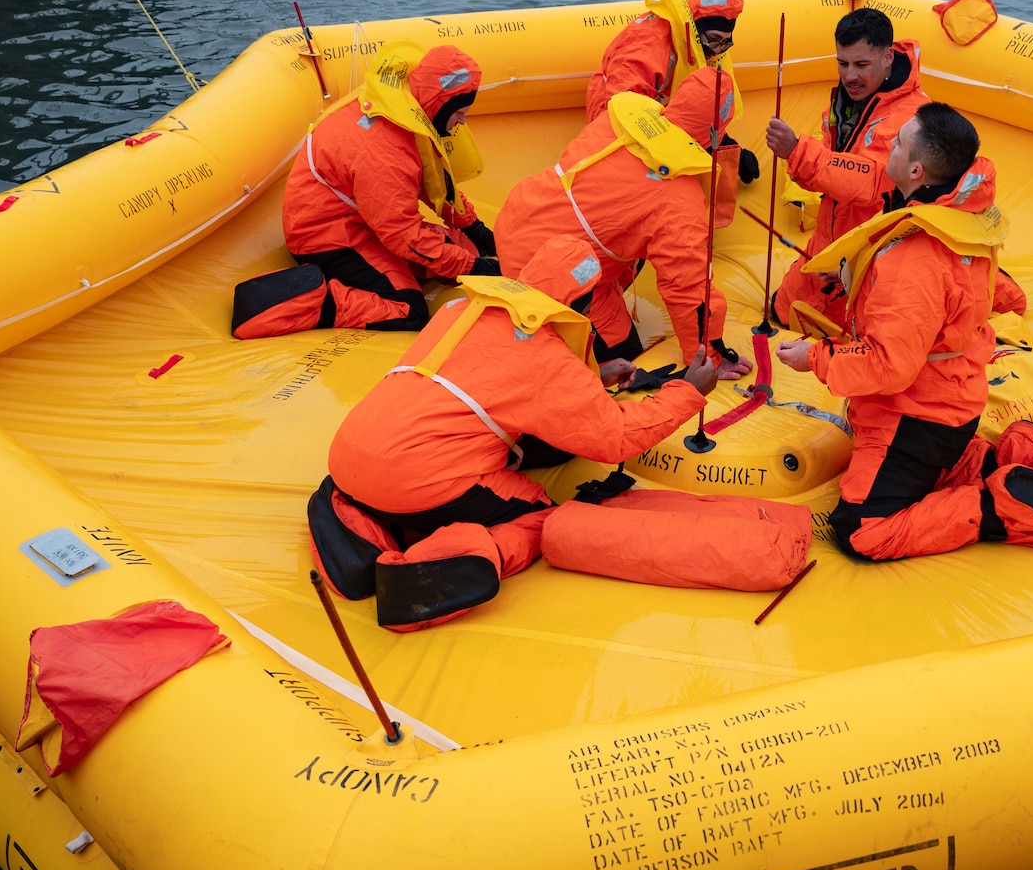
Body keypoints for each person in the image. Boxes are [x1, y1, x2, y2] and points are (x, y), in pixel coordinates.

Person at [308, 236, 718, 629]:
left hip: (350, 455)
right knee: (541, 515)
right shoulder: (544, 356)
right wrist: (688, 392)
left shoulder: (459, 310)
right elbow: (615, 438)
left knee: (416, 476)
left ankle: (353, 517)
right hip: (418, 477)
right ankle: (430, 570)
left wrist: (594, 376)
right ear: (584, 301)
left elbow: (498, 380)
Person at [776, 102, 1033, 561]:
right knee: (931, 462)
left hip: (914, 416)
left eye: (897, 143)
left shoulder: (915, 259)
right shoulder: (960, 215)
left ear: (916, 170)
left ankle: (1007, 508)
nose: (889, 149)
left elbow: (889, 367)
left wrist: (814, 358)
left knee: (862, 531)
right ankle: (1016, 457)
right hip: (954, 399)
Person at [764, 7, 1026, 335]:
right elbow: (839, 158)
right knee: (784, 310)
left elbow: (875, 182)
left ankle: (987, 280)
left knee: (882, 329)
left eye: (861, 64)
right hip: (835, 237)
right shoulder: (849, 98)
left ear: (888, 57)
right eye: (842, 63)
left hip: (880, 244)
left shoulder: (909, 118)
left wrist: (798, 153)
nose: (850, 76)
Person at [495, 70, 753, 378]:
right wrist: (709, 356)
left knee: (619, 333)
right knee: (623, 359)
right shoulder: (678, 198)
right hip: (552, 266)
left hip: (520, 215)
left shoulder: (622, 117)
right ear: (717, 130)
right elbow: (688, 288)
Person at [235, 43, 497, 338]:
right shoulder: (385, 151)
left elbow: (434, 183)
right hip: (327, 237)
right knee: (408, 309)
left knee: (466, 250)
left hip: (361, 216)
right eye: (460, 112)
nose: (462, 121)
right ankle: (311, 298)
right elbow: (403, 236)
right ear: (440, 106)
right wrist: (473, 267)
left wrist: (475, 229)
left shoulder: (401, 109)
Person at [584, 0, 763, 201]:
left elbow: (695, 107)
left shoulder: (700, 44)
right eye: (715, 40)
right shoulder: (647, 44)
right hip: (618, 125)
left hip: (658, 117)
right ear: (697, 28)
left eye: (725, 43)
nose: (717, 51)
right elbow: (619, 114)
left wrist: (730, 151)